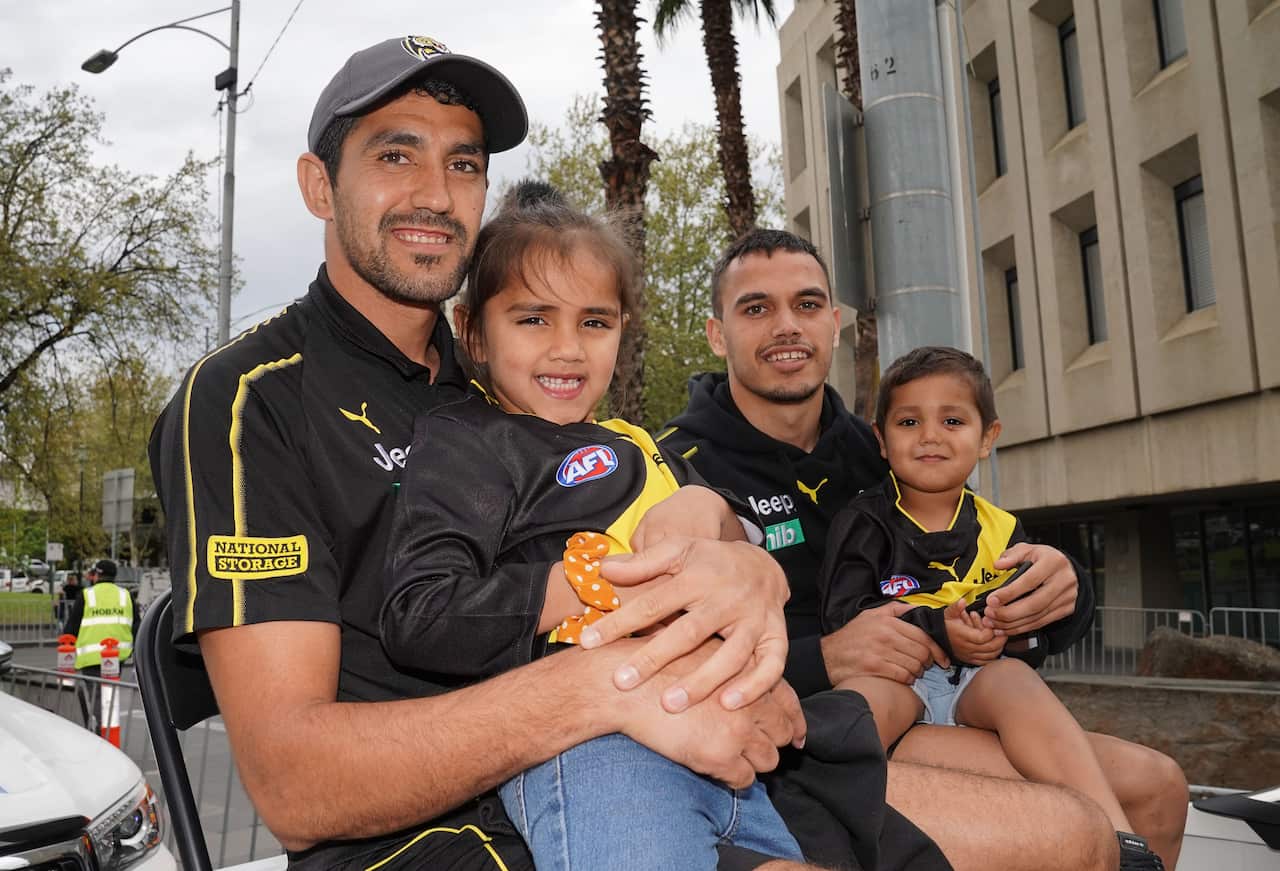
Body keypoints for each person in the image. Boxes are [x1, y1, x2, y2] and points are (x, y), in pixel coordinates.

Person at [149, 38, 804, 870]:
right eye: (396, 154)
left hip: (651, 757)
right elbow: (294, 787)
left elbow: (656, 508)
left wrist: (731, 548)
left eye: (464, 165)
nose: (435, 193)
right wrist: (614, 690)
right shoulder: (250, 398)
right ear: (320, 184)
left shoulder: (516, 384)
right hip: (421, 842)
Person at [655, 228, 1188, 870]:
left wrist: (1060, 592)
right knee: (1073, 831)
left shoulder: (885, 447)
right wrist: (824, 658)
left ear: (834, 322)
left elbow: (974, 563)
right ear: (718, 335)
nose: (787, 326)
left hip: (937, 696)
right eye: (756, 308)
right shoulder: (675, 470)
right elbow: (663, 664)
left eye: (806, 304)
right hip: (801, 734)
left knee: (1160, 787)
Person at [381, 181, 805, 869]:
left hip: (733, 760)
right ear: (472, 334)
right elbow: (422, 612)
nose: (568, 349)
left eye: (594, 322)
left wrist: (715, 516)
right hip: (594, 754)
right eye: (533, 319)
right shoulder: (471, 441)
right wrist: (602, 581)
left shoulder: (639, 443)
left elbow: (750, 557)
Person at [820, 346, 1164, 870]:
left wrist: (1008, 632)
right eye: (909, 421)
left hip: (976, 684)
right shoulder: (864, 522)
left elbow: (1033, 631)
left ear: (987, 438)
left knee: (1016, 682)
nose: (930, 435)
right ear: (881, 440)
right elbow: (844, 619)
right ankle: (814, 827)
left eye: (952, 420)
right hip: (898, 676)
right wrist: (939, 629)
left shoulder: (1002, 528)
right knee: (860, 705)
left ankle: (1122, 843)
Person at [65, 559, 138, 729]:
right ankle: (108, 728)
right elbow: (136, 624)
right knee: (110, 694)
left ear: (97, 574)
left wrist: (66, 649)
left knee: (96, 696)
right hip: (116, 656)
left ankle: (101, 728)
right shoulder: (125, 595)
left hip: (90, 656)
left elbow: (72, 626)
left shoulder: (86, 594)